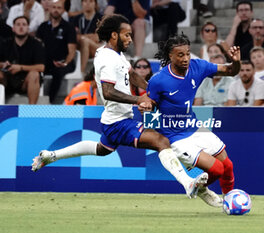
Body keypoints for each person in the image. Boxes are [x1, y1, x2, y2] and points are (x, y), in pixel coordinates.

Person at [32, 14, 208, 201]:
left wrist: (152, 89)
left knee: (103, 149)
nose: (131, 39)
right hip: (118, 122)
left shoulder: (115, 55)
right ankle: (187, 183)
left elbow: (131, 74)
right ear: (114, 35)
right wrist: (138, 100)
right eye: (127, 35)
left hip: (114, 119)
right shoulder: (107, 59)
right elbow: (107, 92)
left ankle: (51, 156)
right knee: (160, 141)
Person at [147, 33, 241, 207]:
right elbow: (149, 108)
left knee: (227, 166)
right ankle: (199, 188)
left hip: (194, 127)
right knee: (217, 169)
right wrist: (156, 137)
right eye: (180, 55)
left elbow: (230, 71)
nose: (186, 58)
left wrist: (235, 61)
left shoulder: (198, 67)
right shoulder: (158, 81)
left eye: (188, 53)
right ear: (170, 56)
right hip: (174, 137)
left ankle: (230, 203)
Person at [36, 0, 77, 104]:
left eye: (59, 8)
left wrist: (65, 63)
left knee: (57, 72)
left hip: (64, 61)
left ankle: (51, 102)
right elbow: (38, 46)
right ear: (49, 9)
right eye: (54, 7)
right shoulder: (43, 27)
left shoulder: (69, 27)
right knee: (36, 71)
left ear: (63, 10)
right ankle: (37, 101)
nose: (56, 10)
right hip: (48, 61)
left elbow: (72, 51)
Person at [0, 16, 45, 104]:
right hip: (7, 79)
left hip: (26, 81)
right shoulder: (5, 43)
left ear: (28, 28)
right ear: (13, 28)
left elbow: (41, 67)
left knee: (34, 74)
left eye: (24, 24)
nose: (21, 27)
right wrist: (3, 65)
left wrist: (20, 68)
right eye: (18, 24)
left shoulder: (36, 44)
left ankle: (31, 110)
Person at [70, 0, 102, 75]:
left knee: (84, 41)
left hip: (98, 48)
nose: (87, 3)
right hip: (82, 47)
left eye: (91, 1)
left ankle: (80, 73)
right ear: (82, 4)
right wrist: (88, 36)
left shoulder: (101, 18)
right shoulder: (76, 19)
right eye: (85, 1)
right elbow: (74, 37)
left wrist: (82, 37)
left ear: (95, 4)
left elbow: (97, 38)